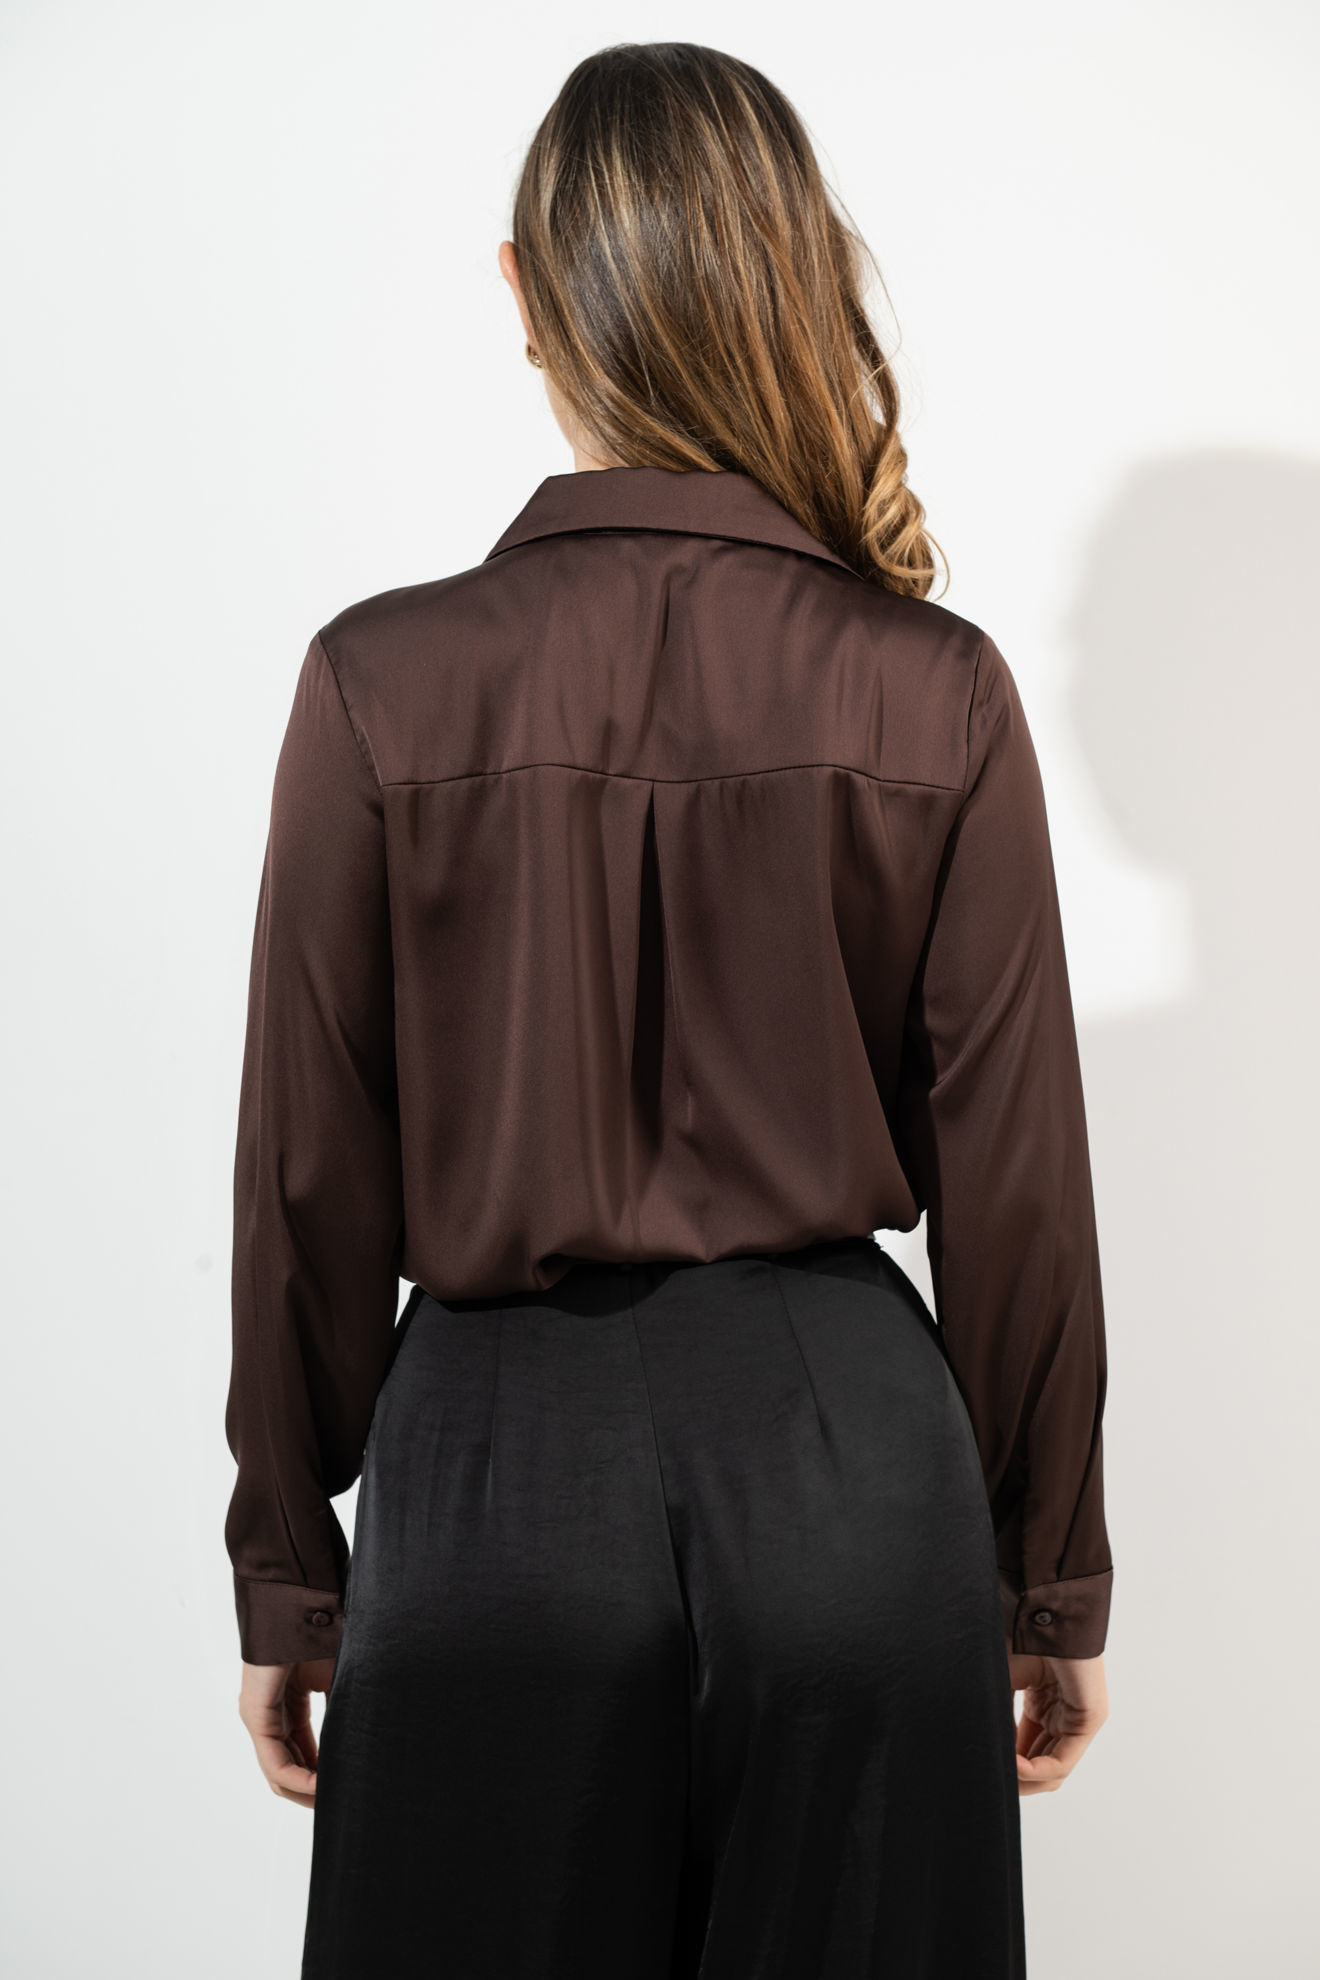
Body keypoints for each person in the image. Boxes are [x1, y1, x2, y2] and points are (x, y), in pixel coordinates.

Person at [224, 40, 1111, 1980]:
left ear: (527, 293)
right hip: (853, 1486)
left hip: (490, 1497)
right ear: (791, 279)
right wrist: (1048, 1573)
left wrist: (288, 1566)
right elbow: (1020, 1184)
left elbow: (309, 1174)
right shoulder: (936, 689)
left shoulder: (378, 684)